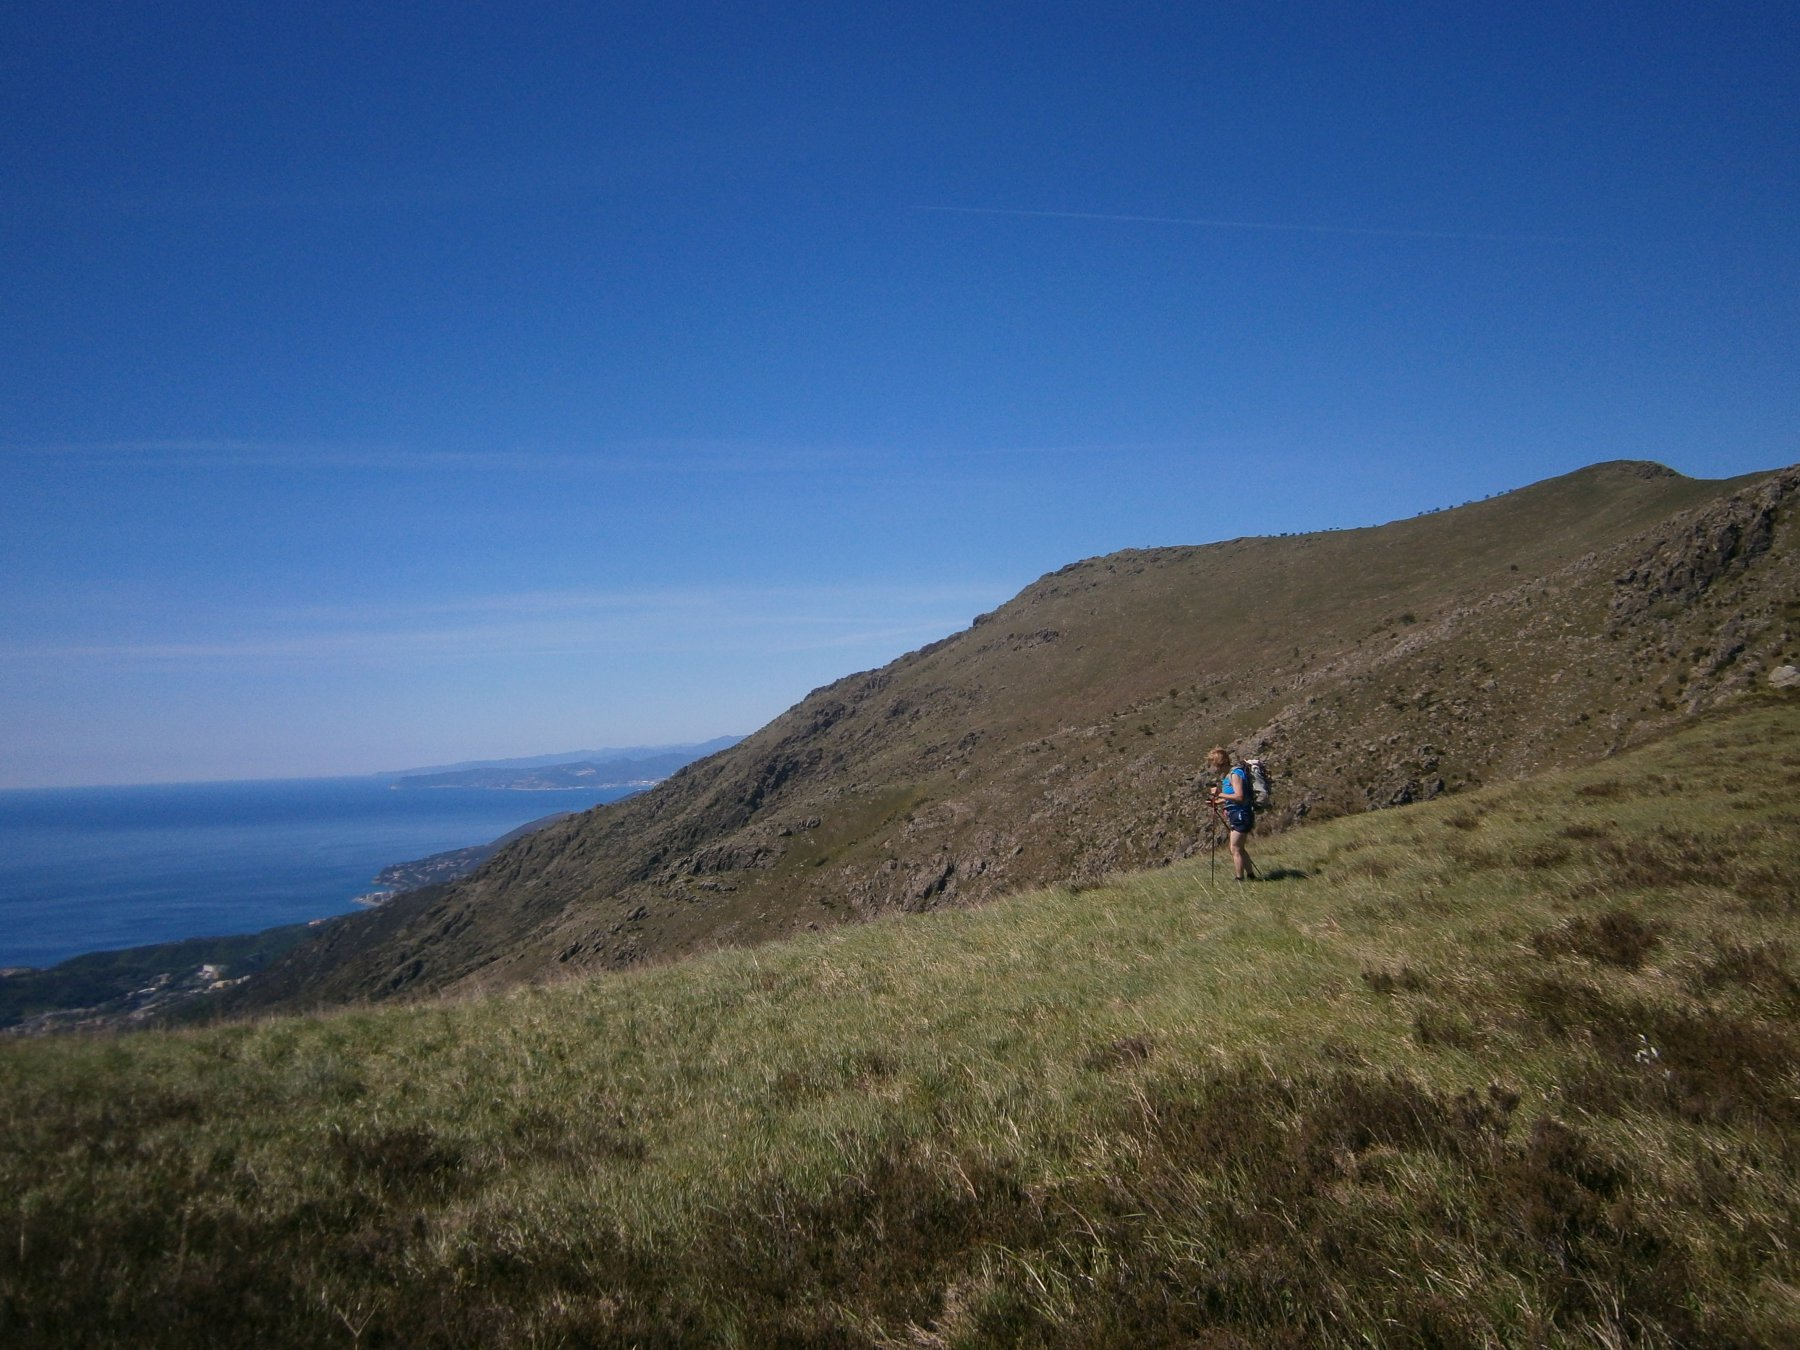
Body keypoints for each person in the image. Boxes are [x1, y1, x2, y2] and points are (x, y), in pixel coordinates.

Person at [1206, 746, 1257, 881]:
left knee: (1234, 848)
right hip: (1238, 814)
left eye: (1214, 764)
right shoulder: (1230, 775)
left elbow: (1239, 797)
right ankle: (1251, 876)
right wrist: (1218, 802)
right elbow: (1233, 796)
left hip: (1242, 814)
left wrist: (1219, 794)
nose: (1213, 768)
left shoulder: (1235, 774)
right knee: (1239, 847)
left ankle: (1239, 878)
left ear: (1220, 763)